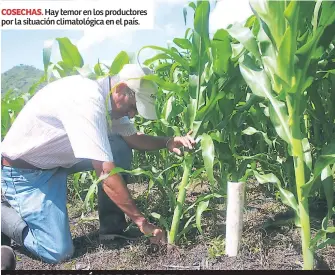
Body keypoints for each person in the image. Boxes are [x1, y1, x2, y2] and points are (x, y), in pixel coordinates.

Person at [1, 64, 196, 265]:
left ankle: (113, 230)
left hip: (55, 163)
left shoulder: (109, 104)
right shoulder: (87, 101)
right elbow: (105, 173)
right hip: (25, 173)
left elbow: (132, 138)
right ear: (120, 89)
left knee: (118, 145)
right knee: (57, 252)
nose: (131, 115)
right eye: (132, 107)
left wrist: (167, 141)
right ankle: (3, 214)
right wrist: (142, 222)